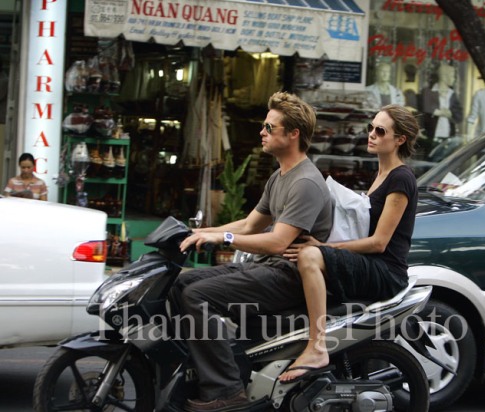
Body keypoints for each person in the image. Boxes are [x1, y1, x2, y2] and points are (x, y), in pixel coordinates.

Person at [168, 91, 333, 412]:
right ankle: (200, 367)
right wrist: (202, 232)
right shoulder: (280, 176)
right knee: (181, 284)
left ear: (293, 134)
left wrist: (223, 238)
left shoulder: (306, 183)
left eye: (270, 127)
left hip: (288, 276)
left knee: (197, 296)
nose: (262, 132)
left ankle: (226, 390)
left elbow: (278, 242)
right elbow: (250, 224)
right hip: (266, 268)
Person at [278, 104, 419, 383]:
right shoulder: (380, 174)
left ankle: (317, 347)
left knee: (309, 256)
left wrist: (323, 248)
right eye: (370, 127)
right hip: (370, 264)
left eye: (381, 131)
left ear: (400, 139)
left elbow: (379, 243)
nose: (372, 134)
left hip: (386, 272)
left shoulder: (401, 178)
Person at [419, 64, 463, 149]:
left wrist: (449, 114)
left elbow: (459, 116)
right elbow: (426, 110)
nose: (454, 79)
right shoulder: (428, 92)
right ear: (444, 77)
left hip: (448, 136)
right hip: (431, 136)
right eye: (452, 76)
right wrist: (441, 112)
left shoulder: (452, 94)